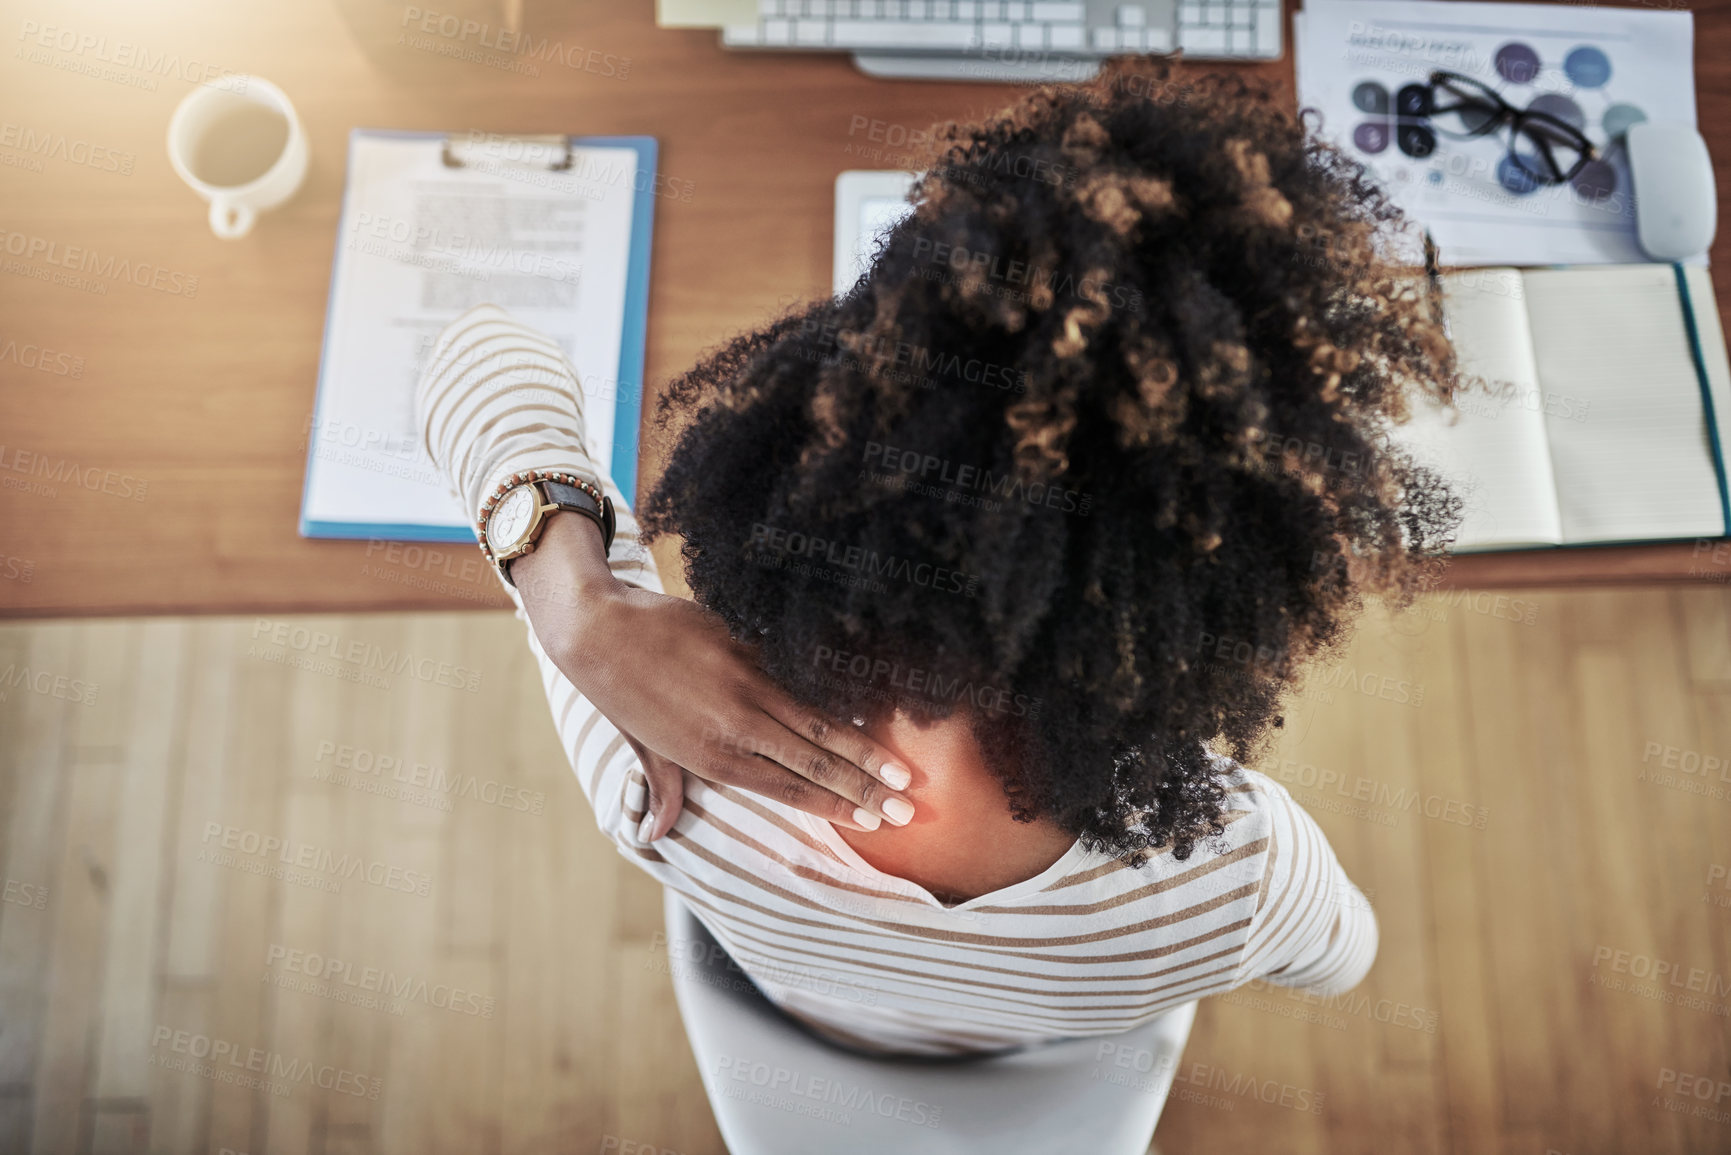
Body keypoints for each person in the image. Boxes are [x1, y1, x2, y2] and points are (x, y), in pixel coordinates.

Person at [414, 58, 1461, 1057]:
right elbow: (1342, 955)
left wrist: (582, 611)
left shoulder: (662, 766)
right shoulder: (1240, 879)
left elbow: (475, 353)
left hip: (802, 1019)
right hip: (1041, 1052)